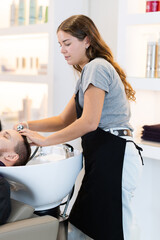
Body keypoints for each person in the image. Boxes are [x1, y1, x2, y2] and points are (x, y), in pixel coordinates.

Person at [15, 15, 143, 240]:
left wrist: (45, 140)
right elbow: (64, 119)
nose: (63, 50)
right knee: (86, 225)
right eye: (60, 45)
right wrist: (27, 125)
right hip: (104, 155)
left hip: (115, 154)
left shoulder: (96, 67)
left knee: (113, 227)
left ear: (86, 40)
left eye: (67, 43)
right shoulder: (87, 73)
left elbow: (89, 122)